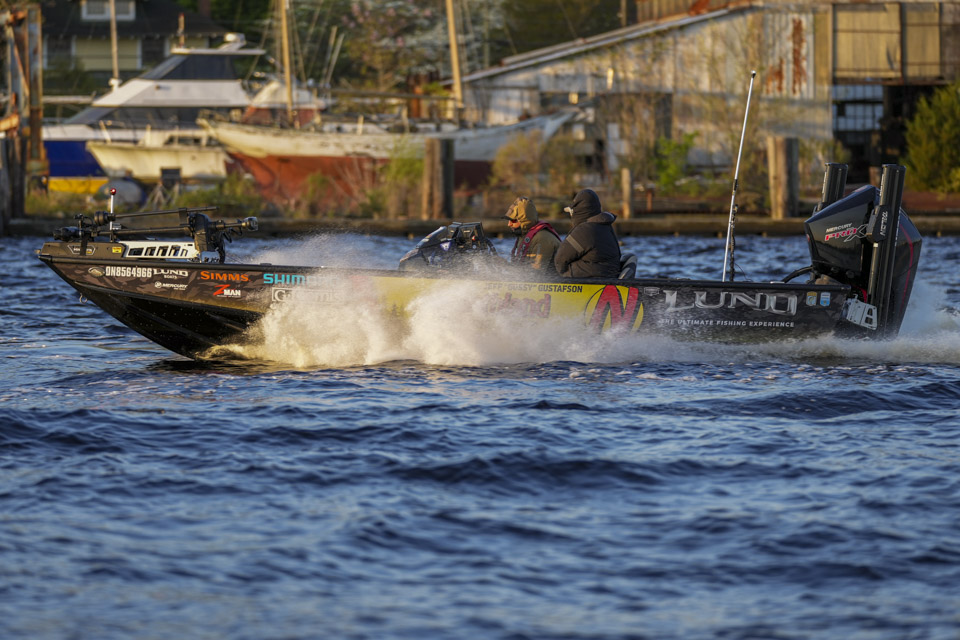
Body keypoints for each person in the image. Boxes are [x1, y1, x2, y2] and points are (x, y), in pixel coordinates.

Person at [554, 188, 621, 278]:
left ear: (577, 212)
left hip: (593, 280)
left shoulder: (585, 230)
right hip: (608, 276)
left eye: (571, 212)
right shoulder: (605, 226)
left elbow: (560, 260)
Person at [504, 196, 561, 273]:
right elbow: (521, 269)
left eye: (513, 221)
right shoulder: (523, 236)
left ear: (524, 221)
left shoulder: (542, 239)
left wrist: (507, 268)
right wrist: (503, 264)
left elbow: (536, 274)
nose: (509, 224)